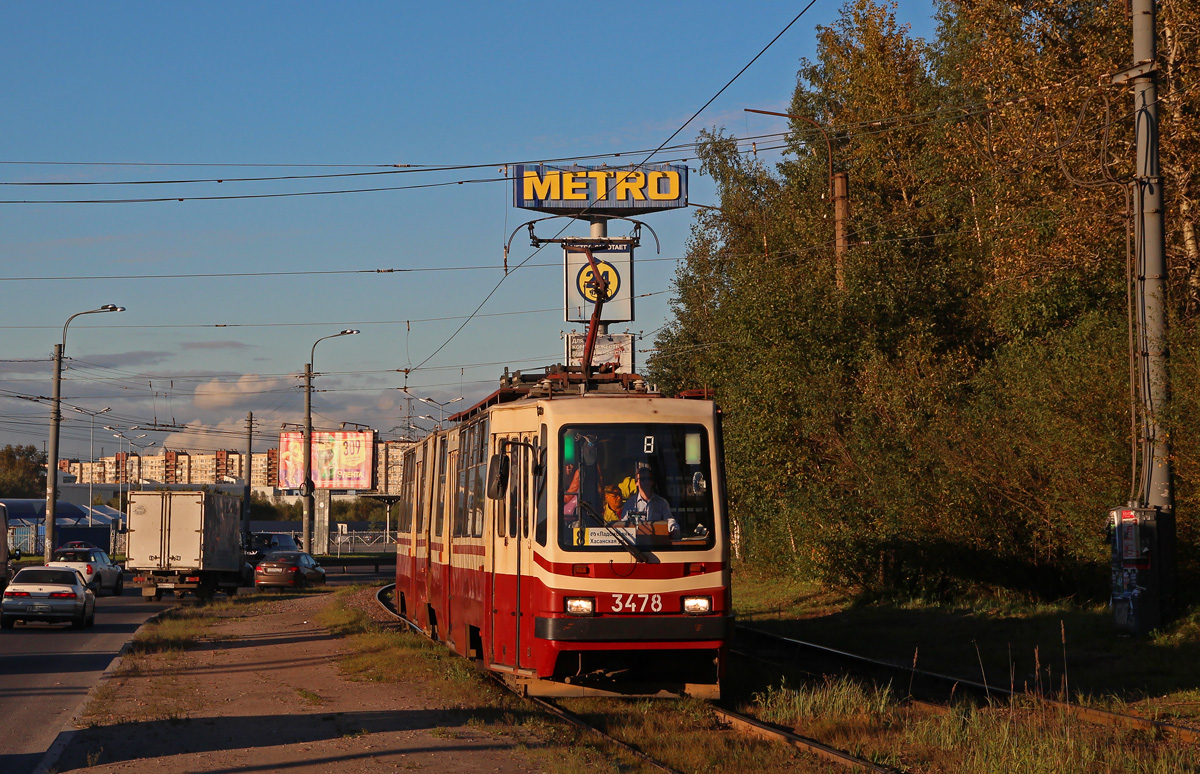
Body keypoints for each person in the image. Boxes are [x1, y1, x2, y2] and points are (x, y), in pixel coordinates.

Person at [620, 463, 679, 537]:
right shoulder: (629, 504)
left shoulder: (662, 502)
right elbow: (623, 525)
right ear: (636, 483)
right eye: (642, 479)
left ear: (652, 482)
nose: (646, 482)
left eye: (649, 479)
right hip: (636, 545)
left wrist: (675, 530)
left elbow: (669, 520)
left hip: (656, 543)